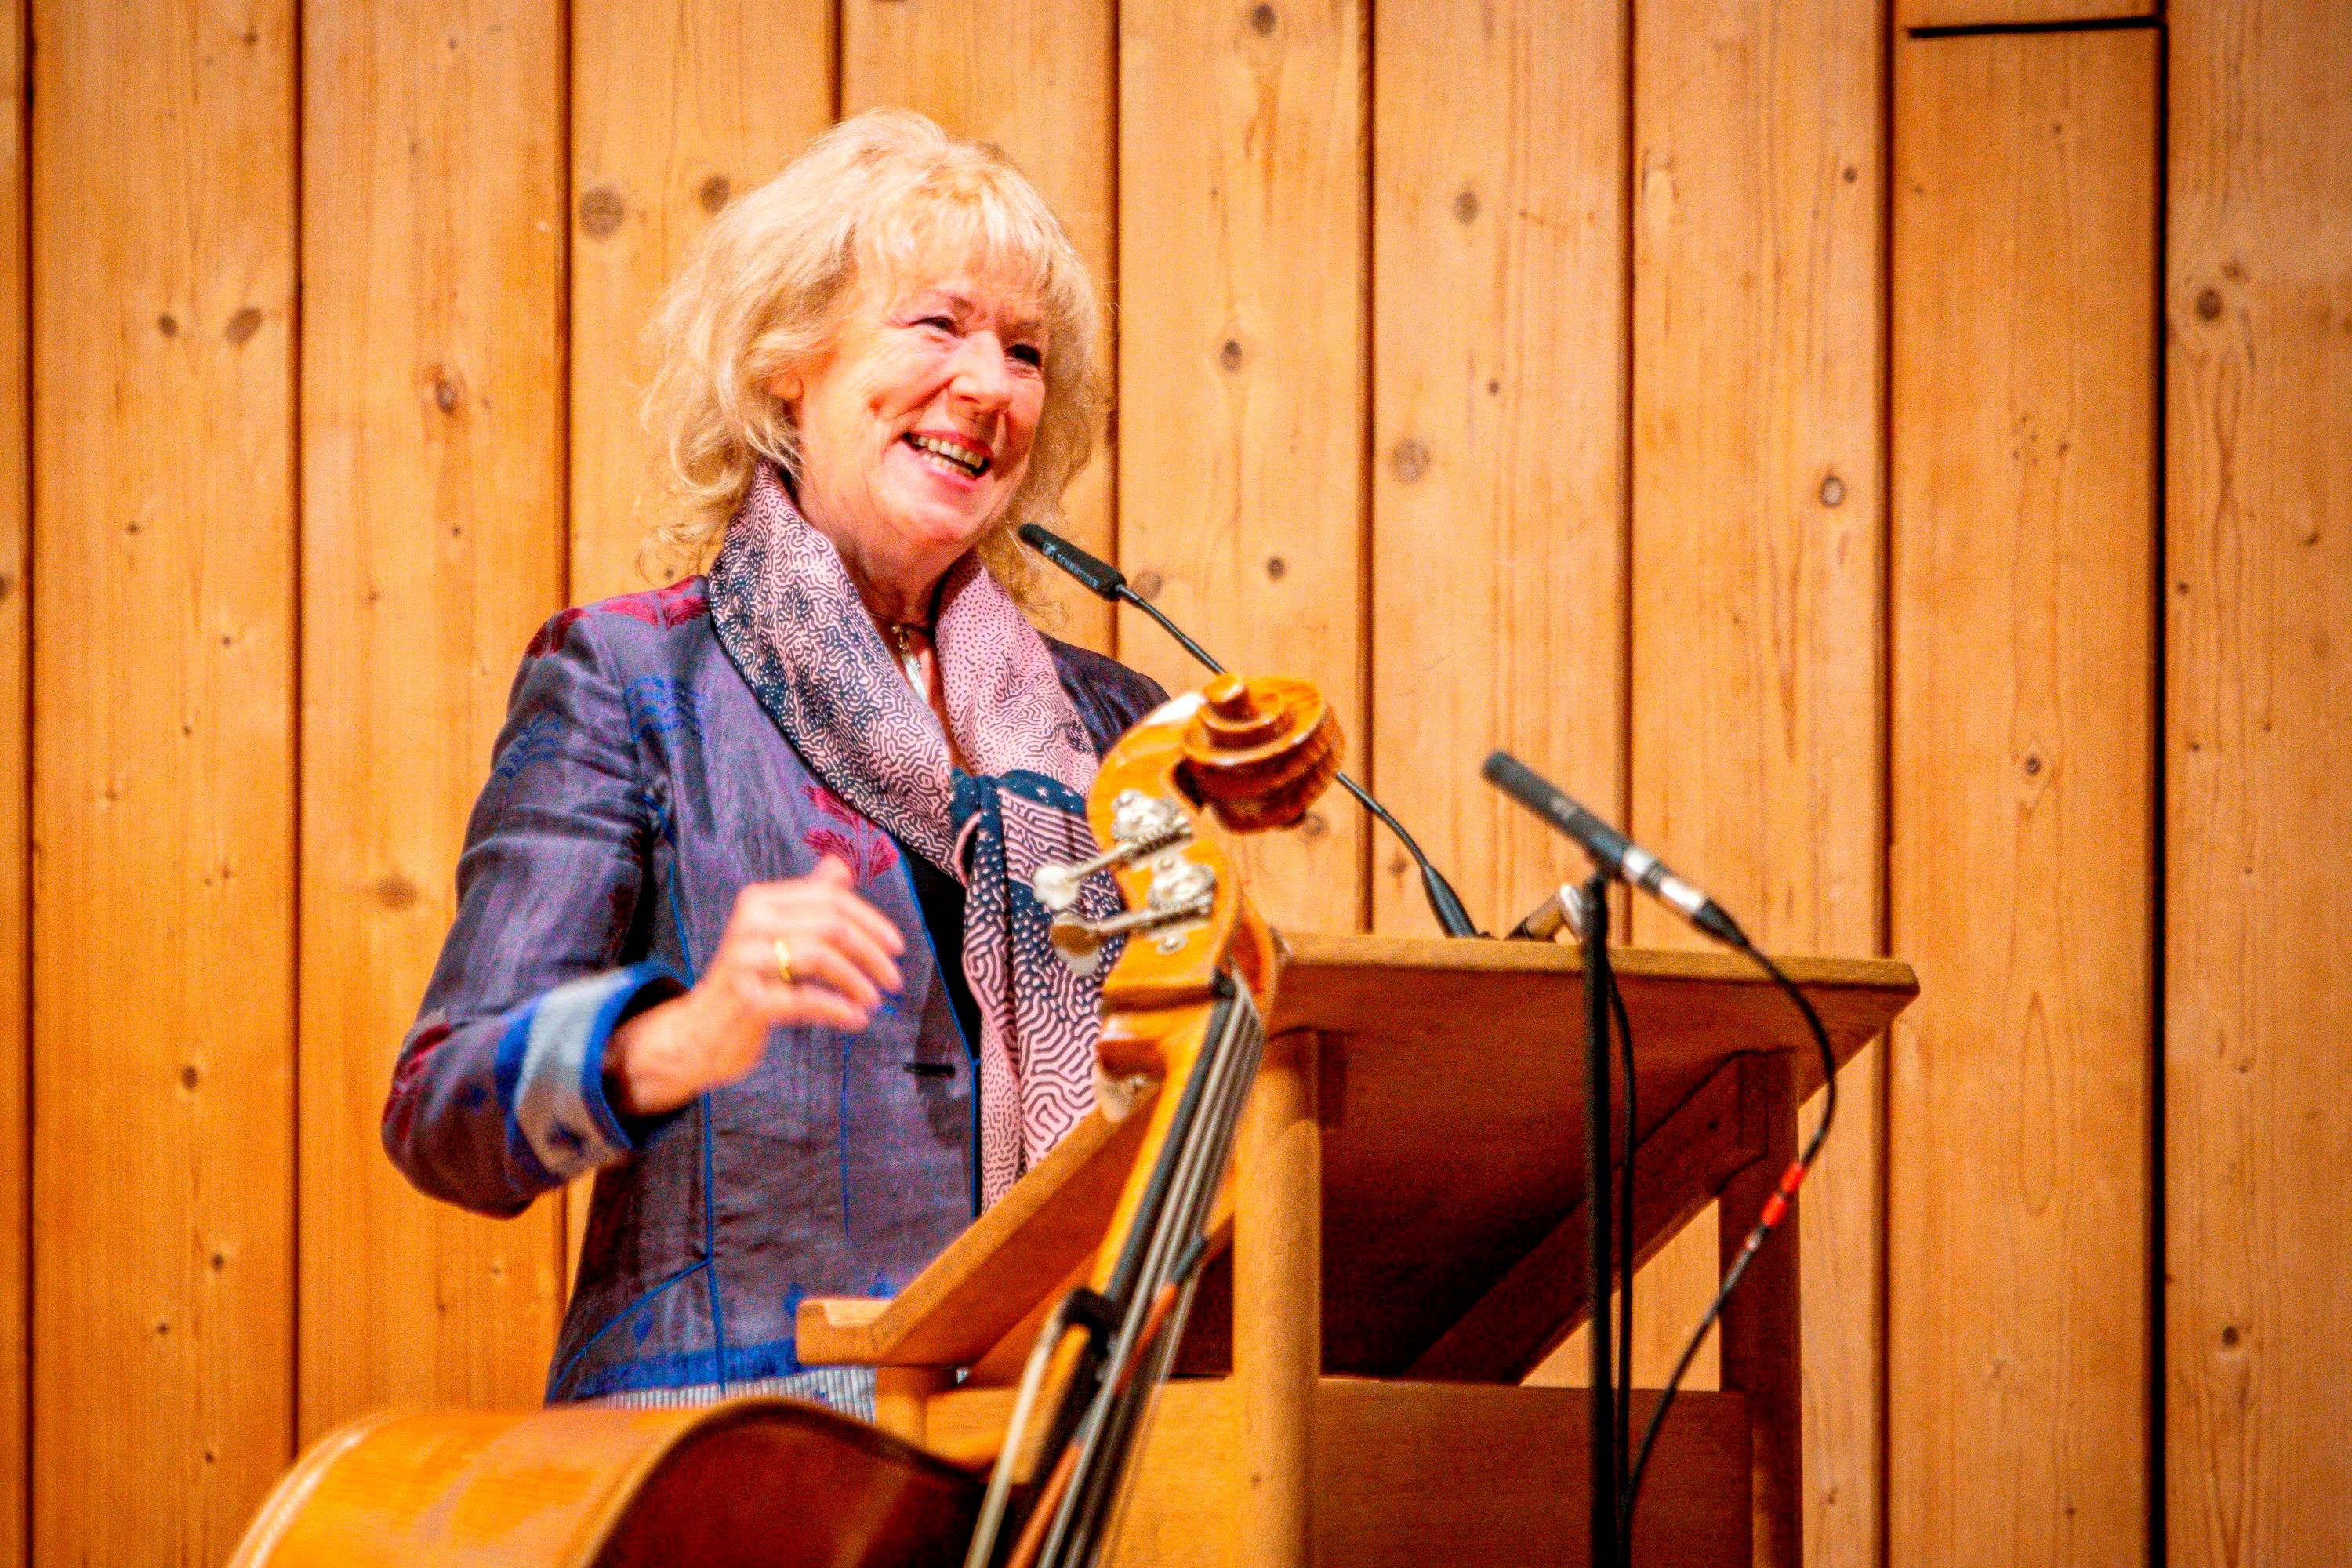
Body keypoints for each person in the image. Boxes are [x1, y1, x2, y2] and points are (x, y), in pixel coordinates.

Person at [381, 111, 1166, 1415]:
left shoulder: (1115, 728)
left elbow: (1182, 1072)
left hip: (1074, 1440)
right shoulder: (633, 678)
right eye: (939, 325)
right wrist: (682, 1036)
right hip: (737, 1458)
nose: (992, 386)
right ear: (787, 364)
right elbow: (443, 1116)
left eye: (1025, 353)